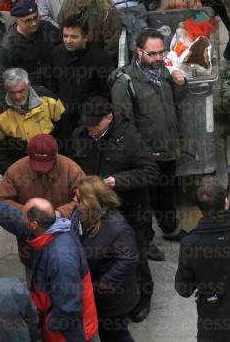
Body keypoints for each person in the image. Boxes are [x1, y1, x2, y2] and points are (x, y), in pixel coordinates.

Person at [71, 96, 160, 323]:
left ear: (109, 117)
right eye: (87, 124)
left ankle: (143, 297)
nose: (90, 129)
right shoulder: (81, 136)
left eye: (95, 124)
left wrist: (117, 181)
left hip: (130, 209)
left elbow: (150, 171)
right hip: (95, 211)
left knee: (136, 255)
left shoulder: (129, 138)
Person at [0, 187, 98, 342]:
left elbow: (69, 307)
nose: (22, 217)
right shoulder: (50, 228)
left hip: (69, 333)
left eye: (25, 215)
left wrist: (48, 326)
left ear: (34, 224)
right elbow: (16, 220)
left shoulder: (61, 258)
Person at [110, 28, 187, 255]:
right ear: (138, 52)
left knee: (165, 192)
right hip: (146, 154)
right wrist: (141, 152)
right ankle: (146, 242)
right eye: (152, 54)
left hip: (167, 148)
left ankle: (170, 228)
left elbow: (176, 102)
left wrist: (181, 84)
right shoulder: (125, 82)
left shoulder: (164, 71)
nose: (157, 58)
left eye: (160, 53)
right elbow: (124, 124)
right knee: (143, 200)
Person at [0, 133, 85, 278]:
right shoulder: (16, 171)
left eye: (46, 164)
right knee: (35, 287)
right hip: (31, 249)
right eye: (36, 164)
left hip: (65, 246)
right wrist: (30, 212)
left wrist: (60, 213)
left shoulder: (72, 170)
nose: (42, 169)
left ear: (55, 156)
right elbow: (0, 202)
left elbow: (85, 199)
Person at [71, 176, 140, 341]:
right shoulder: (83, 216)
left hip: (112, 300)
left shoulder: (118, 228)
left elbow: (128, 260)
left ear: (90, 202)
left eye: (78, 199)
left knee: (115, 335)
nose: (74, 201)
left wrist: (100, 285)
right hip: (96, 294)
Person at [175, 176, 230, 342]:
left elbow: (183, 289)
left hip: (213, 315)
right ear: (225, 202)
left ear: (199, 208)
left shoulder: (190, 244)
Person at [49, 14, 116, 145]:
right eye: (65, 36)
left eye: (74, 37)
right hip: (63, 119)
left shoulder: (101, 58)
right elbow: (51, 82)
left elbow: (106, 92)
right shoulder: (57, 53)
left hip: (89, 121)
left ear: (86, 37)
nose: (68, 40)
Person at [0, 68, 65, 174]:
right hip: (21, 167)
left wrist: (61, 160)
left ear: (29, 85)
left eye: (21, 91)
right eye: (12, 92)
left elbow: (64, 129)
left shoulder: (49, 99)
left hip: (51, 161)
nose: (17, 97)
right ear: (5, 89)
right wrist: (9, 171)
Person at [0, 0, 60, 102]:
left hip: (56, 88)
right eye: (28, 20)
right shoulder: (7, 47)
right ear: (17, 20)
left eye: (35, 18)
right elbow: (2, 81)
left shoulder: (47, 28)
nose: (34, 23)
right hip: (31, 96)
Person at [58, 0, 122, 59]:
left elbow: (112, 40)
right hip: (71, 57)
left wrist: (103, 60)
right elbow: (61, 27)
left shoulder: (104, 5)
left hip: (97, 59)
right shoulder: (68, 2)